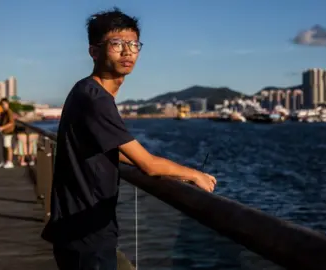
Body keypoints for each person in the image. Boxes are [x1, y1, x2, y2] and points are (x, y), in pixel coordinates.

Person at [41, 8, 217, 270]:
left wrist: (172, 172)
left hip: (79, 228)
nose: (127, 52)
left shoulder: (87, 91)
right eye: (117, 44)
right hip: (85, 234)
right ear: (94, 51)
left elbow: (112, 149)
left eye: (134, 44)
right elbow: (148, 164)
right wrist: (193, 174)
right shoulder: (95, 98)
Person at [0, 98, 15, 169]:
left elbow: (11, 123)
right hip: (3, 132)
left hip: (8, 132)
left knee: (8, 147)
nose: (3, 105)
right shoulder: (3, 112)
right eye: (2, 104)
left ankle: (10, 162)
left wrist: (2, 128)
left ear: (8, 104)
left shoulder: (9, 112)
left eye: (4, 104)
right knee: (4, 147)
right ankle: (5, 161)